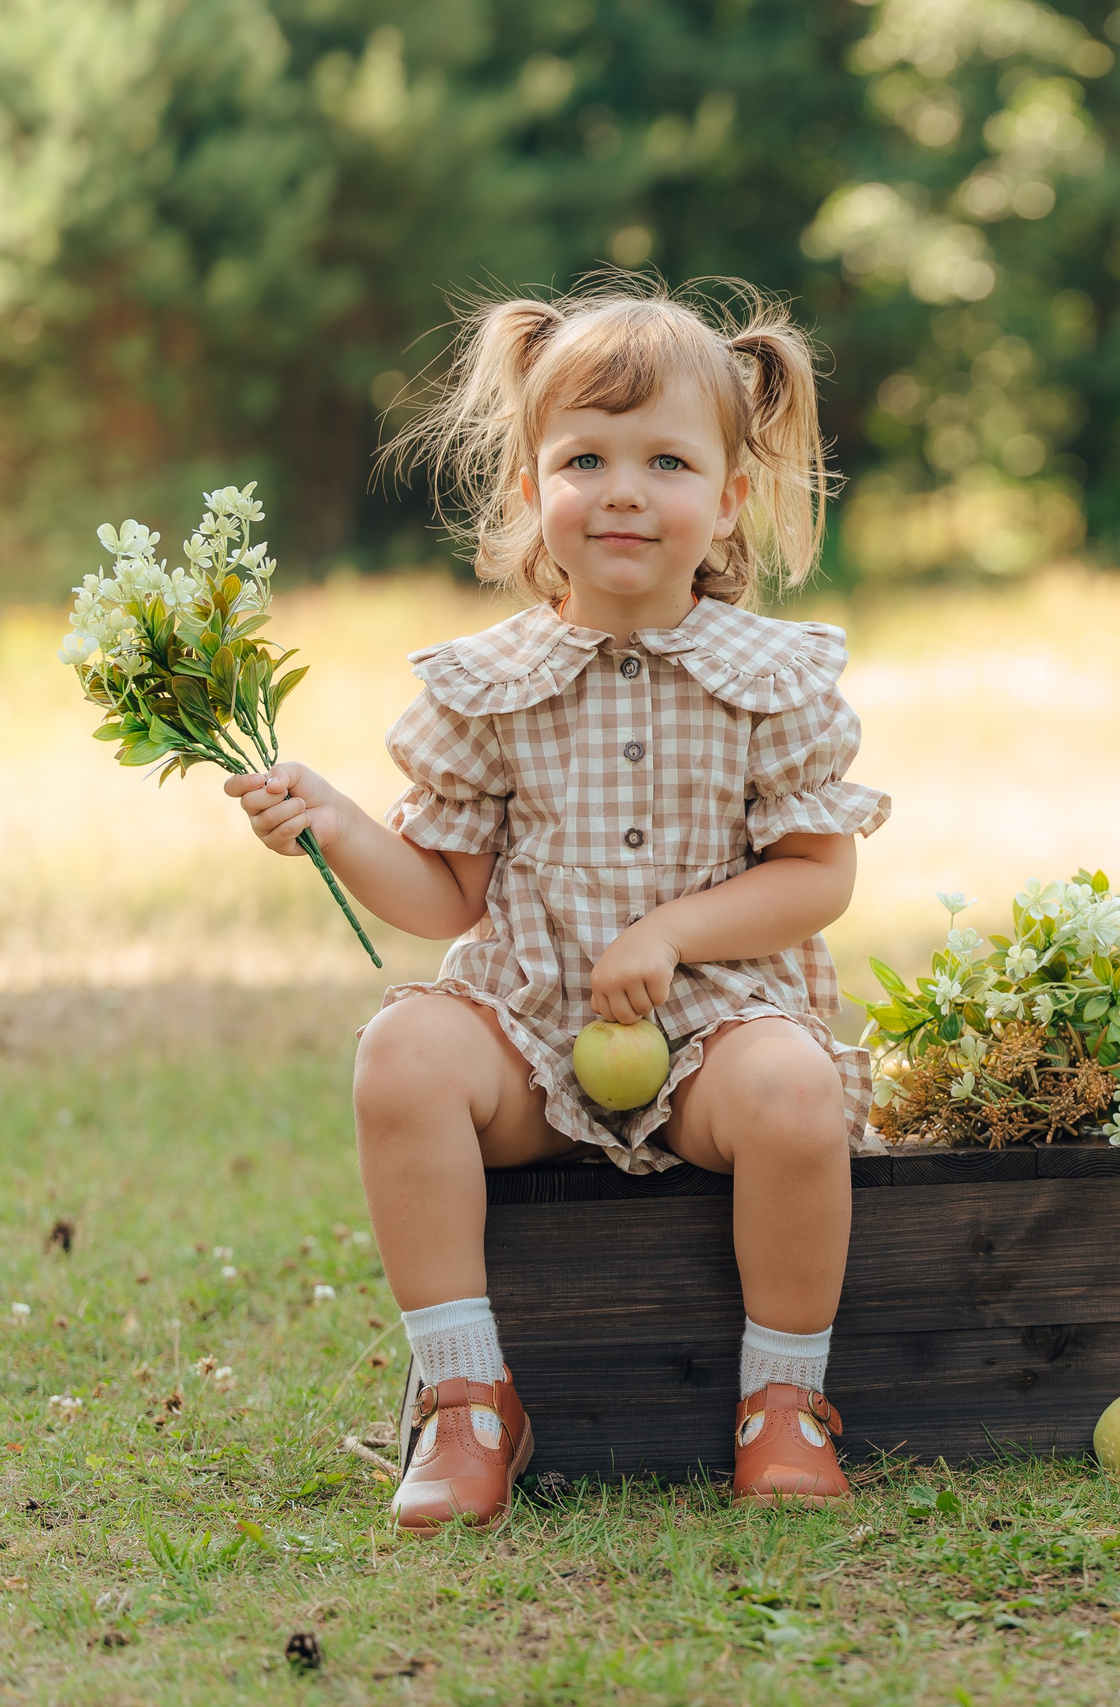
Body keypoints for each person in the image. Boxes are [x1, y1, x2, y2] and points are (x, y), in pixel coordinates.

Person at [225, 279, 888, 1532]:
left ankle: (784, 1403)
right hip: (532, 1037)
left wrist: (673, 933)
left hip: (713, 1043)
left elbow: (819, 875)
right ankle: (468, 1397)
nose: (624, 490)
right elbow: (441, 895)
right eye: (585, 457)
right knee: (402, 1049)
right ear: (532, 489)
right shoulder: (492, 687)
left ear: (730, 498)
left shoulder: (773, 682)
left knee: (797, 1088)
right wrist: (338, 822)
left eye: (668, 461)